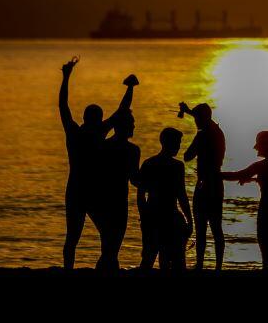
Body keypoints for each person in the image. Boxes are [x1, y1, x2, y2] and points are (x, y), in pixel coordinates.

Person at [58, 56, 137, 269]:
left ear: (84, 117)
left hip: (77, 189)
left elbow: (63, 105)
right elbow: (121, 111)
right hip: (89, 191)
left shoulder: (75, 132)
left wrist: (66, 77)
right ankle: (105, 262)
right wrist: (130, 87)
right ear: (97, 119)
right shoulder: (96, 132)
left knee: (73, 237)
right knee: (101, 233)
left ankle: (73, 268)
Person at [221, 131, 268, 272]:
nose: (256, 148)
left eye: (259, 145)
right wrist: (255, 179)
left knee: (267, 256)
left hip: (267, 211)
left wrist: (216, 175)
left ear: (265, 146)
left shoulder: (260, 166)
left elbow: (238, 175)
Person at [92, 109, 141, 272]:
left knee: (108, 246)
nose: (134, 126)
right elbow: (135, 179)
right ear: (123, 126)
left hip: (104, 201)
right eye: (131, 123)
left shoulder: (104, 146)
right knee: (111, 248)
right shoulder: (133, 150)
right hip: (117, 203)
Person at [178, 102, 226, 271]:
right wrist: (189, 112)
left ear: (203, 119)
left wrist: (194, 137)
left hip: (204, 185)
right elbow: (204, 120)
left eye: (197, 119)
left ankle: (199, 265)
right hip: (217, 184)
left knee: (201, 228)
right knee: (216, 227)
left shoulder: (203, 135)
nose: (195, 122)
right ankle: (218, 267)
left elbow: (187, 156)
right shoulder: (217, 131)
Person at [138, 128, 193, 271]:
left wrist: (144, 216)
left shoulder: (149, 163)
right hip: (169, 217)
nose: (179, 146)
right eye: (177, 143)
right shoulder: (177, 166)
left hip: (154, 217)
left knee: (149, 258)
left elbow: (141, 195)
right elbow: (182, 196)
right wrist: (189, 220)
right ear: (168, 143)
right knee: (174, 261)